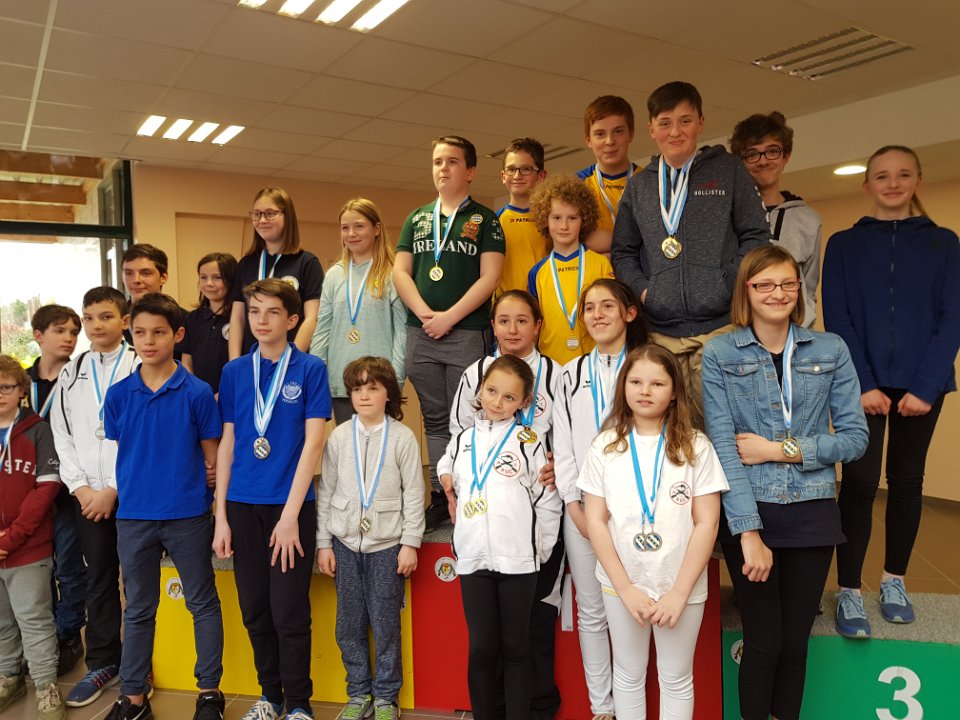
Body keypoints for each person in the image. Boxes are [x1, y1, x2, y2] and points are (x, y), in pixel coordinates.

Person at [702, 245, 868, 720]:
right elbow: (723, 447)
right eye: (765, 284)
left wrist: (780, 450)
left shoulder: (831, 349)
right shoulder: (720, 352)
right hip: (751, 511)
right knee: (764, 641)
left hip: (814, 510)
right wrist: (747, 532)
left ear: (799, 289)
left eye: (787, 283)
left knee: (796, 643)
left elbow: (855, 438)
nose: (777, 293)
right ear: (747, 290)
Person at [822, 145, 960, 637]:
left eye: (903, 174)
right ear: (867, 185)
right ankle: (850, 589)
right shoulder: (844, 244)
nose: (893, 183)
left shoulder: (944, 243)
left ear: (917, 180)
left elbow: (952, 318)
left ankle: (894, 581)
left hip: (924, 387)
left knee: (907, 483)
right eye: (882, 175)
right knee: (858, 485)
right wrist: (862, 383)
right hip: (860, 385)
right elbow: (838, 317)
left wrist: (925, 386)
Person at [579, 343, 726, 720]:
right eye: (636, 382)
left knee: (676, 677)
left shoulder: (697, 446)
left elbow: (707, 523)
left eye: (657, 383)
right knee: (628, 674)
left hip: (680, 583)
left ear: (674, 391)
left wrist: (678, 593)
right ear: (623, 387)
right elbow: (595, 521)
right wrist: (626, 588)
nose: (645, 391)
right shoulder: (605, 446)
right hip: (621, 582)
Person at [611, 80, 769, 429]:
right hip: (661, 334)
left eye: (685, 120)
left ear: (700, 122)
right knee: (670, 432)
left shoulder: (728, 170)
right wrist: (646, 291)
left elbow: (757, 237)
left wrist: (727, 284)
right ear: (651, 129)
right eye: (665, 122)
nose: (675, 131)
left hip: (721, 330)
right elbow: (622, 251)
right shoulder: (639, 185)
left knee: (725, 431)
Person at [102, 293, 224, 720]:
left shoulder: (197, 392)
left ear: (178, 334)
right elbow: (124, 446)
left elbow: (212, 459)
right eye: (140, 333)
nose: (148, 341)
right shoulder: (118, 395)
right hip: (133, 517)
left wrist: (214, 499)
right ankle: (133, 697)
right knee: (138, 609)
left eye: (158, 332)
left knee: (202, 603)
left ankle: (209, 693)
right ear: (130, 335)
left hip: (188, 515)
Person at [214, 278, 331, 720]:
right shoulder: (234, 372)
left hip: (290, 507)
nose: (261, 320)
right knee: (255, 609)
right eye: (254, 311)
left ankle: (299, 704)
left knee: (288, 611)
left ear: (293, 319)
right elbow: (228, 444)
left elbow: (314, 443)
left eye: (273, 312)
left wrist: (290, 515)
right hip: (242, 506)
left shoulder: (310, 369)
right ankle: (271, 697)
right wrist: (221, 516)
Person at [445, 290, 565, 719]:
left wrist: (541, 548)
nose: (497, 401)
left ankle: (533, 710)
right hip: (475, 550)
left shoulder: (534, 430)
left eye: (522, 320)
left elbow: (549, 496)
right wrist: (447, 484)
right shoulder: (465, 431)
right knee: (482, 646)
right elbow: (453, 454)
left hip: (523, 550)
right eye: (503, 320)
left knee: (523, 640)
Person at [393, 135, 505, 531]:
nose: (443, 168)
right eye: (438, 161)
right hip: (422, 333)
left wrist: (449, 318)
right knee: (435, 418)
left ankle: (472, 492)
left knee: (470, 417)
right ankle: (441, 497)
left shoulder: (486, 220)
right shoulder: (417, 218)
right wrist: (425, 314)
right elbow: (400, 272)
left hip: (466, 332)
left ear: (470, 171)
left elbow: (490, 278)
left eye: (452, 161)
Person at [553, 278, 648, 720]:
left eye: (607, 306)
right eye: (589, 307)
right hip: (582, 511)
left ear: (629, 313)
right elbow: (564, 447)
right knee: (591, 610)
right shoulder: (568, 374)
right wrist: (574, 507)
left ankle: (634, 703)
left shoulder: (647, 366)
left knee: (636, 604)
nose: (597, 314)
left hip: (638, 511)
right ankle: (603, 708)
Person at [316, 357, 425, 720]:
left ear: (388, 393)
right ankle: (358, 692)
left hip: (387, 547)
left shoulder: (403, 437)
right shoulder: (338, 437)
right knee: (348, 625)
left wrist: (410, 543)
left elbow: (414, 493)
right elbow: (326, 491)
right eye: (357, 388)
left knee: (385, 624)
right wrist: (323, 543)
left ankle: (386, 698)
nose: (364, 395)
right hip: (345, 546)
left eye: (373, 388)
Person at [49, 286, 139, 708]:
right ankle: (103, 662)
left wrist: (114, 489)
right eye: (88, 318)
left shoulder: (140, 364)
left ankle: (140, 663)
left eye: (105, 316)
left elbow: (146, 437)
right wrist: (81, 489)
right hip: (87, 497)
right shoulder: (73, 371)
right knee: (99, 580)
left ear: (125, 321)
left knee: (138, 583)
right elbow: (61, 434)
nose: (95, 325)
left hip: (134, 493)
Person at [0, 355, 66, 720]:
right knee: (1, 621)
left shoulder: (38, 431)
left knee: (34, 619)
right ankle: (9, 677)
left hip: (27, 547)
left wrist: (11, 538)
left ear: (21, 391)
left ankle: (45, 685)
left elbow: (46, 488)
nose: (0, 394)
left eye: (6, 387)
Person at [26, 304, 86, 676]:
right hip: (29, 493)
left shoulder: (80, 378)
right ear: (39, 335)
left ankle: (68, 634)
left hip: (68, 490)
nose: (69, 338)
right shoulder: (20, 382)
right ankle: (41, 634)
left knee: (69, 565)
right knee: (37, 568)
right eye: (60, 331)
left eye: (74, 332)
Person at [311, 198, 407, 425]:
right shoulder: (334, 275)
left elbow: (402, 334)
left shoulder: (393, 273)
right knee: (347, 443)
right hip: (340, 382)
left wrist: (395, 381)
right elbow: (322, 330)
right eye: (345, 228)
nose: (351, 233)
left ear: (377, 229)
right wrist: (315, 377)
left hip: (379, 383)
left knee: (379, 445)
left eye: (359, 226)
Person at [729, 111, 822, 326]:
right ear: (740, 162)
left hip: (791, 335)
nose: (763, 161)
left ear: (786, 156)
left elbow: (808, 289)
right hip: (736, 333)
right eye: (752, 154)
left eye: (772, 151)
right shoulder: (725, 219)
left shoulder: (808, 220)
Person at [527, 175, 614, 365]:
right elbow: (533, 325)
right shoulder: (537, 272)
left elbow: (613, 317)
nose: (564, 226)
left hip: (594, 363)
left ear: (584, 220)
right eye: (556, 218)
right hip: (549, 365)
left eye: (572, 218)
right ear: (545, 219)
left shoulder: (601, 264)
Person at [228, 188, 324, 358]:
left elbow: (312, 318)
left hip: (291, 361)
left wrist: (289, 361)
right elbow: (238, 318)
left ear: (288, 216)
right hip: (251, 361)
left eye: (270, 213)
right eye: (257, 214)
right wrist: (234, 362)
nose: (262, 220)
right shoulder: (246, 264)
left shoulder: (307, 263)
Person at [576, 95, 639, 254]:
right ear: (588, 140)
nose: (610, 141)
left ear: (631, 134)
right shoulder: (577, 186)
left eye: (618, 131)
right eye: (600, 134)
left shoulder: (651, 181)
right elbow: (571, 240)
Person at [497, 138, 549, 295]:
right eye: (511, 169)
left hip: (546, 302)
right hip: (507, 304)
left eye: (526, 169)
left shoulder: (553, 219)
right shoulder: (493, 222)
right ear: (503, 176)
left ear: (541, 175)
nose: (517, 175)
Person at [182, 252, 238, 394]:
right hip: (198, 395)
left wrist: (223, 394)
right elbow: (187, 361)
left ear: (231, 280)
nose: (209, 283)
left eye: (217, 277)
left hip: (231, 394)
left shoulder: (240, 319)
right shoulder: (192, 318)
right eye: (203, 277)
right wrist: (197, 392)